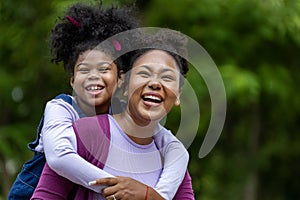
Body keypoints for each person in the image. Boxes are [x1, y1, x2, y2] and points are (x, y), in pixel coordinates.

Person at [8, 2, 192, 200]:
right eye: (84, 70)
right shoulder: (65, 114)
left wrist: (148, 194)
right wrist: (117, 186)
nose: (94, 76)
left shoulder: (166, 151)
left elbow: (168, 143)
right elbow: (58, 157)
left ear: (119, 80)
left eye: (103, 69)